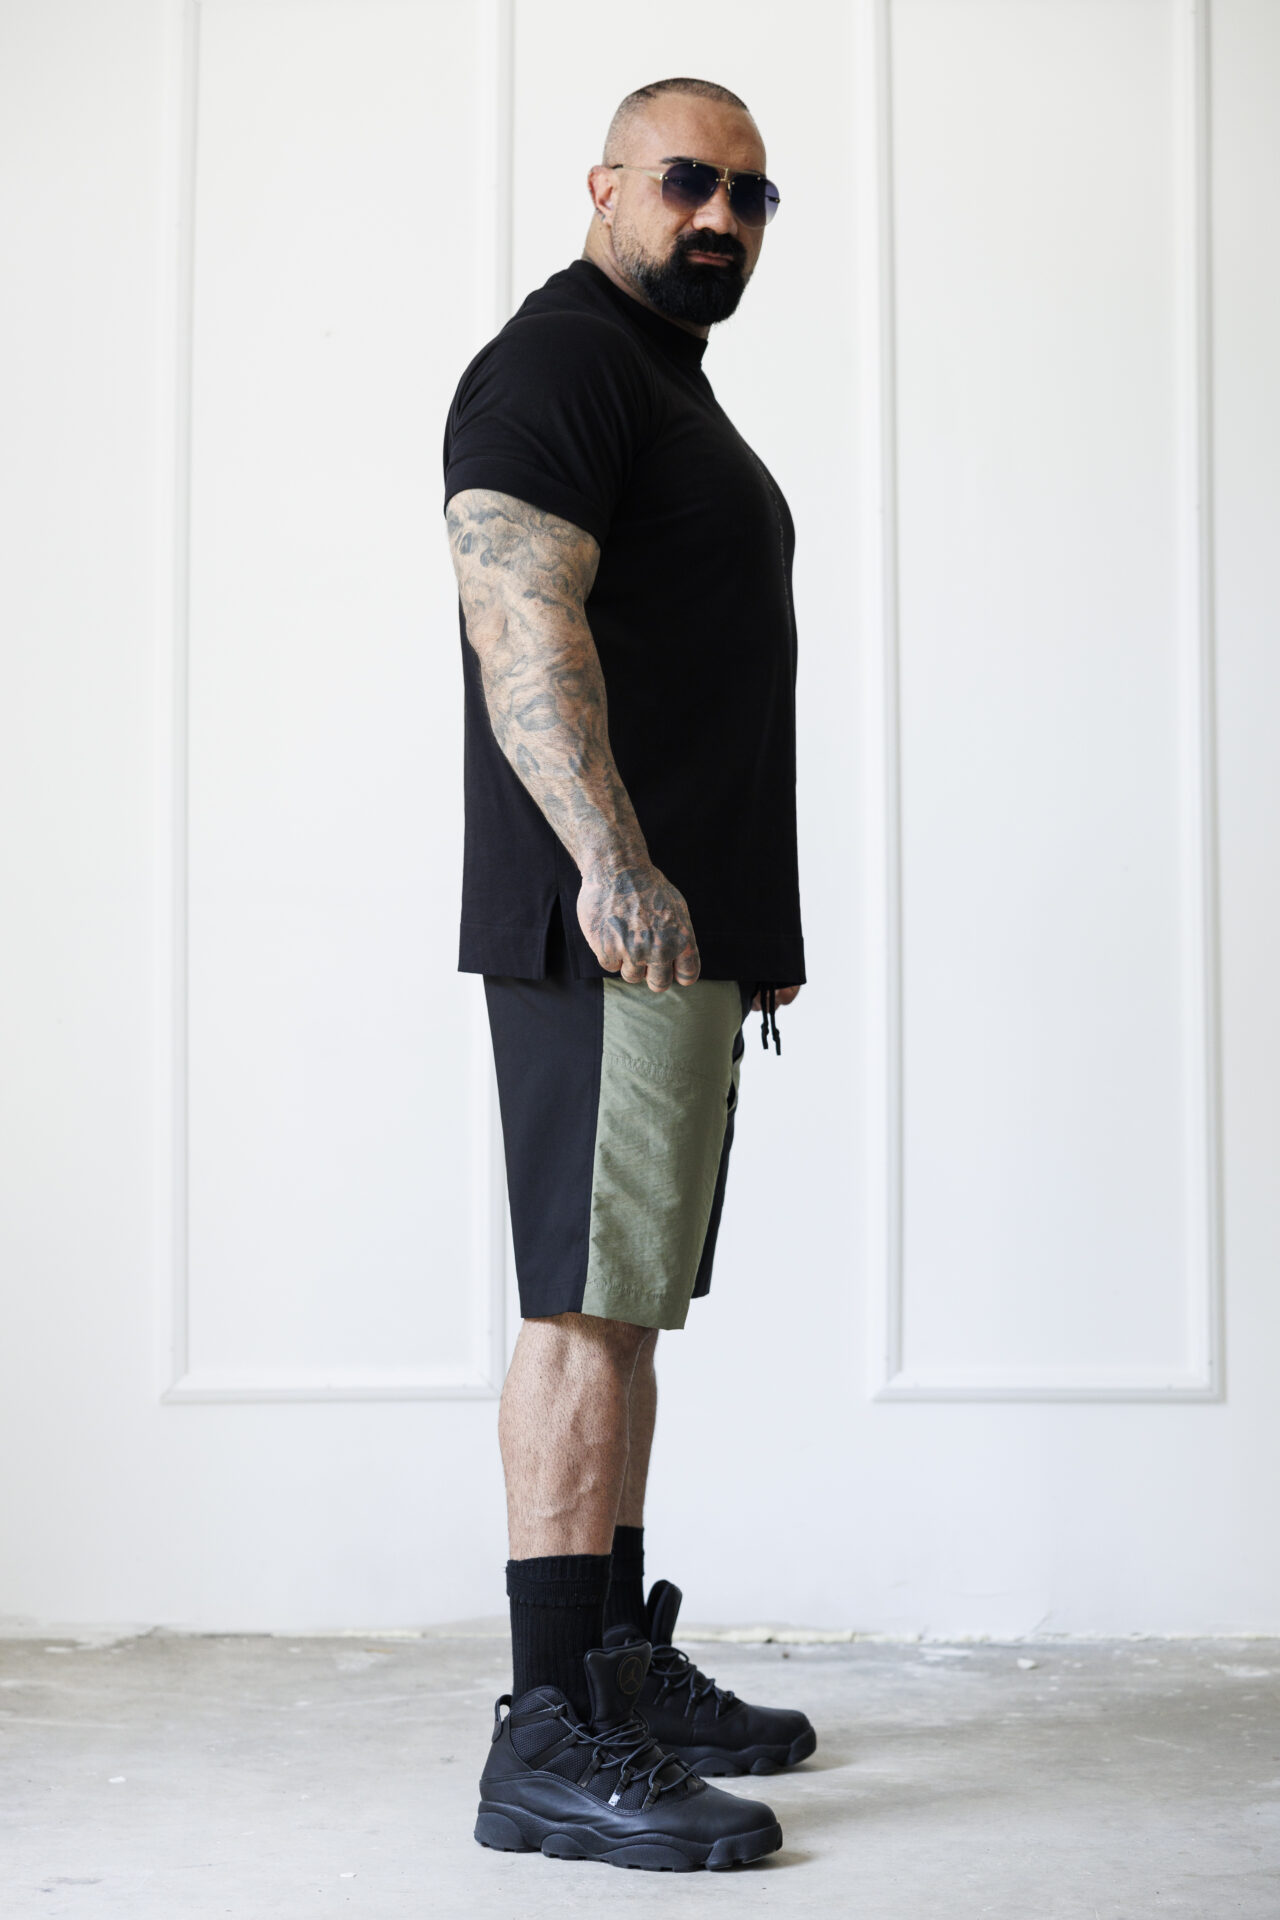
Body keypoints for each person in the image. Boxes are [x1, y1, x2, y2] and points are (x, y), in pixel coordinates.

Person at [442, 74, 811, 1874]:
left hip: (678, 936)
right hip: (608, 928)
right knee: (581, 1310)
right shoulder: (564, 362)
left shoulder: (659, 377)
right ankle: (546, 1737)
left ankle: (610, 1667)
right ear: (606, 187)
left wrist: (748, 928)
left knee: (629, 1300)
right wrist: (614, 865)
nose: (720, 216)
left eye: (751, 195)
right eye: (687, 182)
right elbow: (517, 610)